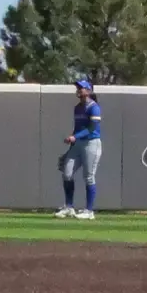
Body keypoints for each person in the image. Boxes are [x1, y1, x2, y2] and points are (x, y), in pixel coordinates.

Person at [56, 79, 102, 218]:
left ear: (88, 91)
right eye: (77, 88)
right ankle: (69, 207)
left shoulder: (94, 107)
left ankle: (89, 211)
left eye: (81, 88)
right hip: (78, 144)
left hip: (91, 143)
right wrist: (71, 145)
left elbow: (92, 128)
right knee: (67, 172)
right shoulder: (77, 107)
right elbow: (77, 128)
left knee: (89, 177)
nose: (78, 90)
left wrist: (75, 137)